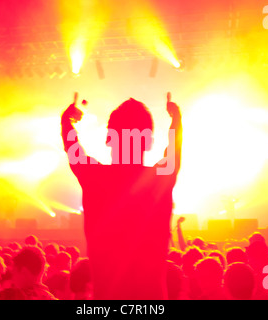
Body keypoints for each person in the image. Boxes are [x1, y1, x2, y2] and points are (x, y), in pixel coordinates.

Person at [61, 93, 182, 299]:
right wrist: (176, 120)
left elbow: (73, 150)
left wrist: (68, 121)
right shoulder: (161, 177)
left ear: (109, 139)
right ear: (148, 142)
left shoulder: (94, 177)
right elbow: (174, 151)